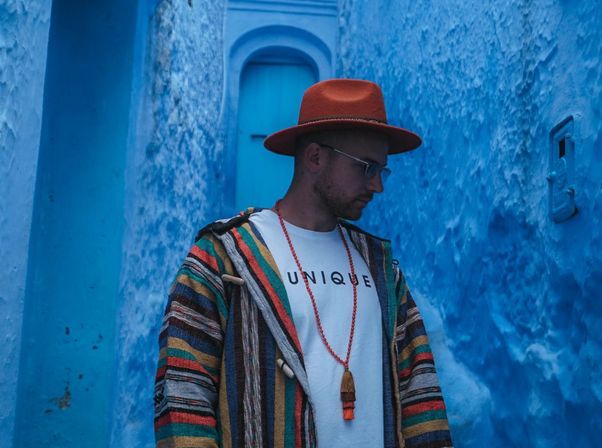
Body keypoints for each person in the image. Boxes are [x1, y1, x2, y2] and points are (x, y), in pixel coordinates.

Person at [154, 79, 453, 448]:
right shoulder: (222, 258)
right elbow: (183, 394)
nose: (378, 186)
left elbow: (420, 391)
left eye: (382, 171)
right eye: (367, 168)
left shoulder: (381, 268)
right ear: (315, 157)